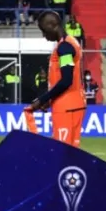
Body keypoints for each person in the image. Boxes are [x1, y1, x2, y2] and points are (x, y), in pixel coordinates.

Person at [26, 11, 85, 148]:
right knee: (70, 152)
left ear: (52, 25)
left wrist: (43, 99)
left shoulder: (64, 47)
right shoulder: (69, 43)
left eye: (44, 30)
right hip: (71, 104)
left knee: (62, 152)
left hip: (67, 106)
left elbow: (66, 80)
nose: (44, 35)